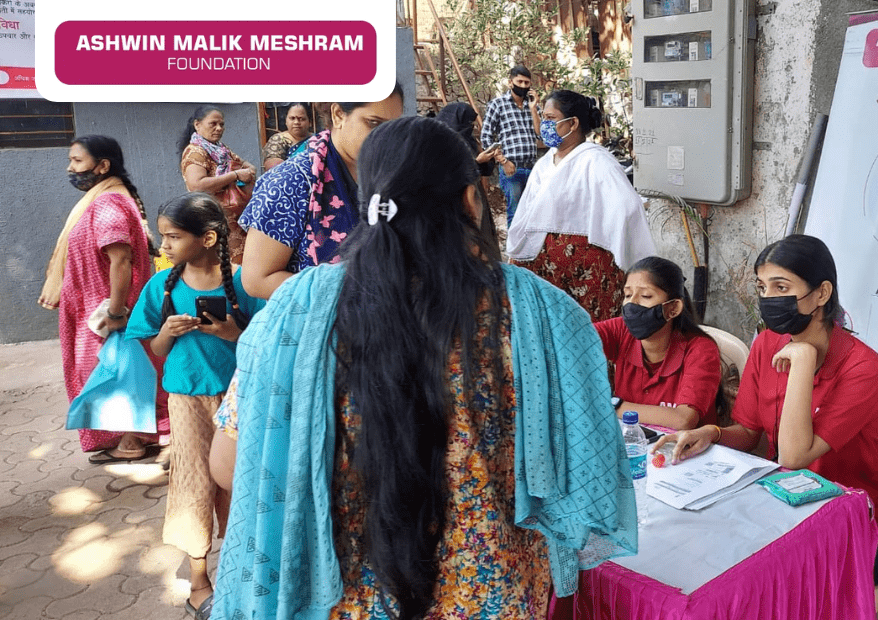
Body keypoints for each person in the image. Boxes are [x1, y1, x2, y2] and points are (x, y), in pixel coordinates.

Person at [210, 116, 636, 620]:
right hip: (493, 599)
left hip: (343, 601)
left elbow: (228, 465)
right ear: (471, 202)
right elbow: (591, 483)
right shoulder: (545, 317)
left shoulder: (296, 314)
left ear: (366, 203)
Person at [654, 234, 878, 585]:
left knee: (770, 585)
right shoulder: (768, 342)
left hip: (859, 525)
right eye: (763, 287)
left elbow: (794, 454)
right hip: (784, 504)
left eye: (781, 287)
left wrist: (802, 360)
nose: (769, 299)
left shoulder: (862, 369)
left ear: (822, 293)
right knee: (701, 555)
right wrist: (712, 433)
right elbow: (750, 433)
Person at [124, 192, 262, 619]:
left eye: (172, 236)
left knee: (243, 484)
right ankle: (199, 581)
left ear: (207, 238)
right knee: (194, 483)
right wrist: (167, 331)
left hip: (241, 397)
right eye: (162, 236)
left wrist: (231, 334)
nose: (163, 245)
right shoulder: (161, 286)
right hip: (186, 398)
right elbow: (156, 347)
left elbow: (265, 341)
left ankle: (245, 570)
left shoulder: (245, 281)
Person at [39, 135, 169, 461]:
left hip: (106, 309)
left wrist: (115, 311)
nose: (70, 168)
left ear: (103, 166)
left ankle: (133, 441)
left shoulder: (108, 203)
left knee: (118, 373)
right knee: (120, 372)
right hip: (100, 306)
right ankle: (133, 438)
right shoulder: (105, 198)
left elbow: (120, 259)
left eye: (77, 161)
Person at [238, 85, 405, 299]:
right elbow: (257, 280)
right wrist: (354, 293)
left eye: (394, 128)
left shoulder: (387, 177)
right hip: (318, 325)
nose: (386, 138)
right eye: (373, 123)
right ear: (338, 115)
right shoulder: (292, 182)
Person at [506, 89, 656, 322]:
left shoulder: (595, 160)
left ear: (573, 123)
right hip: (550, 276)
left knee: (589, 334)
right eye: (543, 117)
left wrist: (606, 244)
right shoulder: (546, 163)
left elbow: (627, 207)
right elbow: (527, 213)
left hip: (587, 277)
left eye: (550, 118)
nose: (544, 124)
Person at [595, 256, 722, 430]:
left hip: (687, 451)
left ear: (673, 308)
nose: (631, 304)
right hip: (636, 445)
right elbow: (571, 339)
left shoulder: (701, 349)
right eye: (627, 295)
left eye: (646, 296)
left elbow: (683, 420)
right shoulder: (620, 330)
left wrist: (615, 406)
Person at [179, 105, 257, 264]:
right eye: (213, 124)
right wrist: (234, 175)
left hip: (234, 221)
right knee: (222, 267)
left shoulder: (221, 149)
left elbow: (246, 165)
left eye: (221, 124)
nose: (219, 128)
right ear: (197, 125)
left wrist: (248, 170)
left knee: (241, 267)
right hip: (212, 221)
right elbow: (197, 185)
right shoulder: (195, 151)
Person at [480, 65, 542, 225]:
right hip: (511, 169)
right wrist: (503, 161)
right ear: (510, 82)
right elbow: (486, 136)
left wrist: (534, 109)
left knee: (534, 214)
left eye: (526, 83)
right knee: (515, 214)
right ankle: (513, 250)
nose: (522, 86)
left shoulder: (533, 105)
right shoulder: (497, 105)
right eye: (519, 81)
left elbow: (540, 134)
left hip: (532, 168)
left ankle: (530, 250)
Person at [436, 101, 499, 247]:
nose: (471, 126)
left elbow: (483, 170)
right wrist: (476, 161)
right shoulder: (441, 143)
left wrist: (487, 158)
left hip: (475, 196)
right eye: (468, 122)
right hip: (455, 201)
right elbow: (448, 174)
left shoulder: (469, 140)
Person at [261, 102, 313, 170]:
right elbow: (273, 167)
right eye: (292, 118)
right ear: (286, 121)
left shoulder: (317, 139)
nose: (296, 122)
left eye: (301, 119)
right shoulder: (279, 139)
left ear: (310, 122)